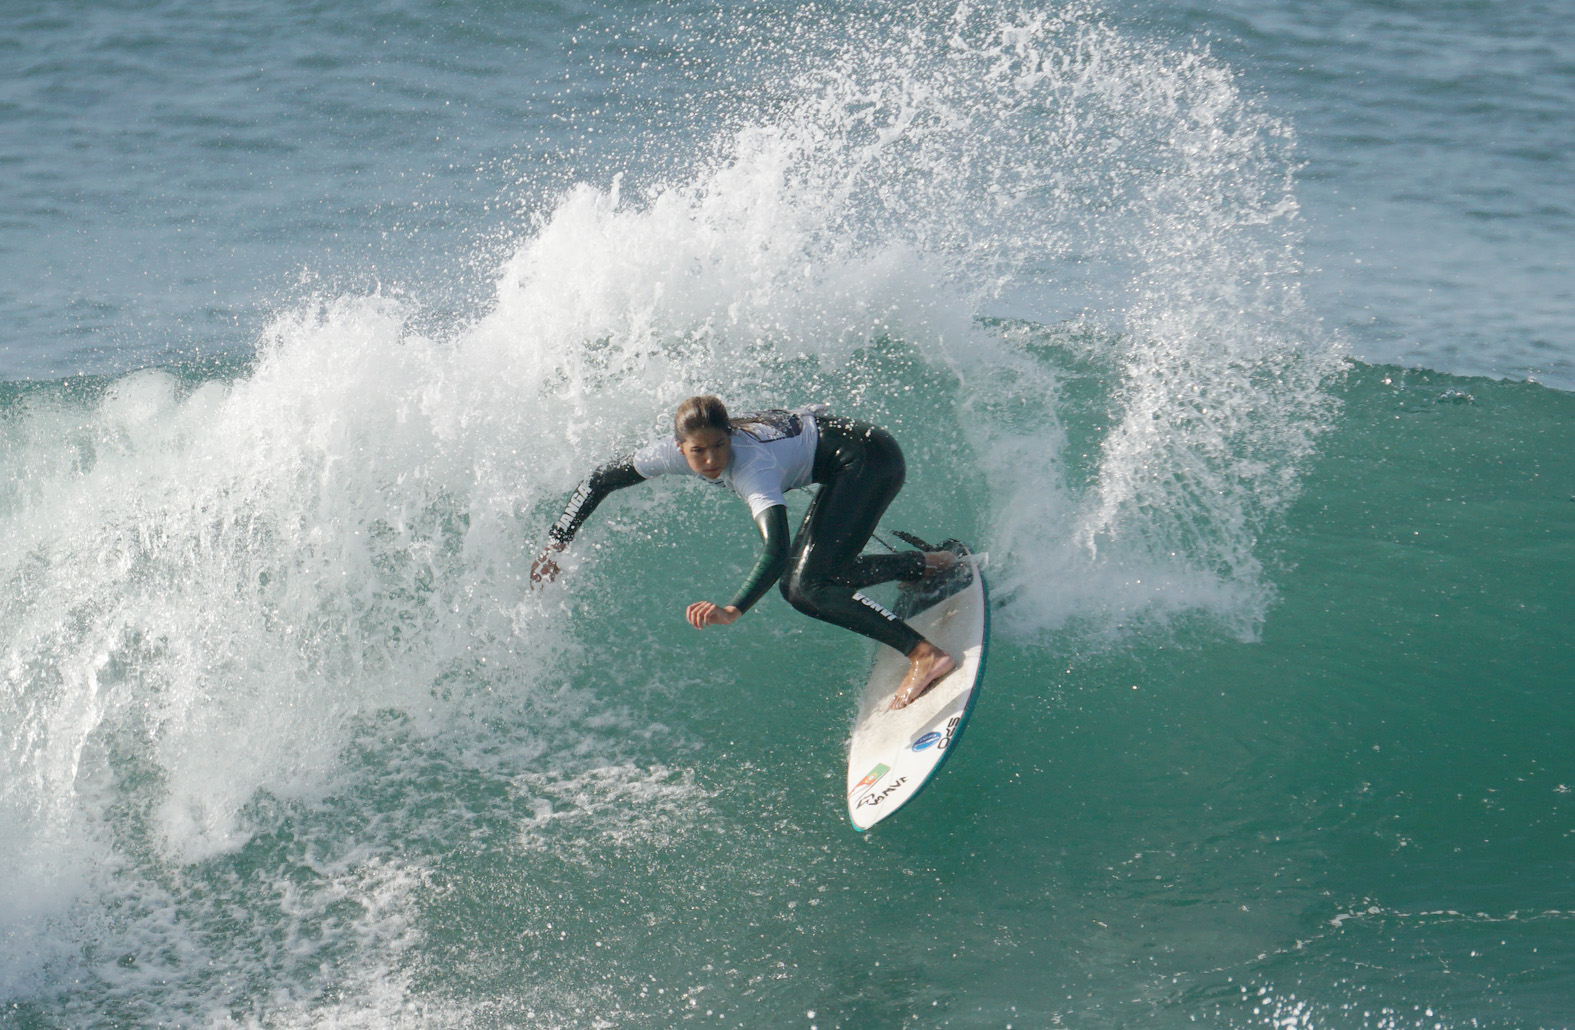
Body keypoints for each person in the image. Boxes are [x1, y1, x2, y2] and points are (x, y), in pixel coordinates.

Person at [531, 395, 957, 709]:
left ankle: (925, 655)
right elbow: (598, 481)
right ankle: (928, 565)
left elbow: (776, 549)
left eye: (720, 445)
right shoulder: (665, 454)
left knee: (805, 587)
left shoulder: (751, 467)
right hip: (846, 455)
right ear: (679, 448)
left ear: (730, 435)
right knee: (812, 578)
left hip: (868, 460)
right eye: (699, 451)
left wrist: (734, 609)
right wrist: (555, 545)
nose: (713, 459)